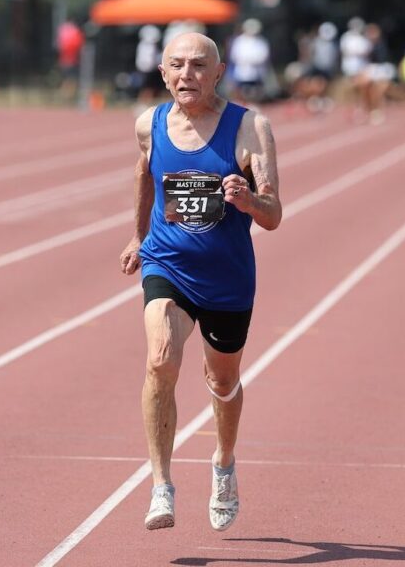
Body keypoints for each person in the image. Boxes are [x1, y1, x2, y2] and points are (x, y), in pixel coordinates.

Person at [118, 32, 282, 532]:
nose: (186, 74)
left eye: (197, 66)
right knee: (160, 358)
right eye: (177, 65)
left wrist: (250, 201)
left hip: (227, 277)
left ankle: (224, 462)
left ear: (218, 72)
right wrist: (138, 236)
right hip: (167, 263)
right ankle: (161, 485)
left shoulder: (250, 127)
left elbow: (273, 214)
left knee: (222, 381)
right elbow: (146, 174)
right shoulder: (149, 124)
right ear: (163, 73)